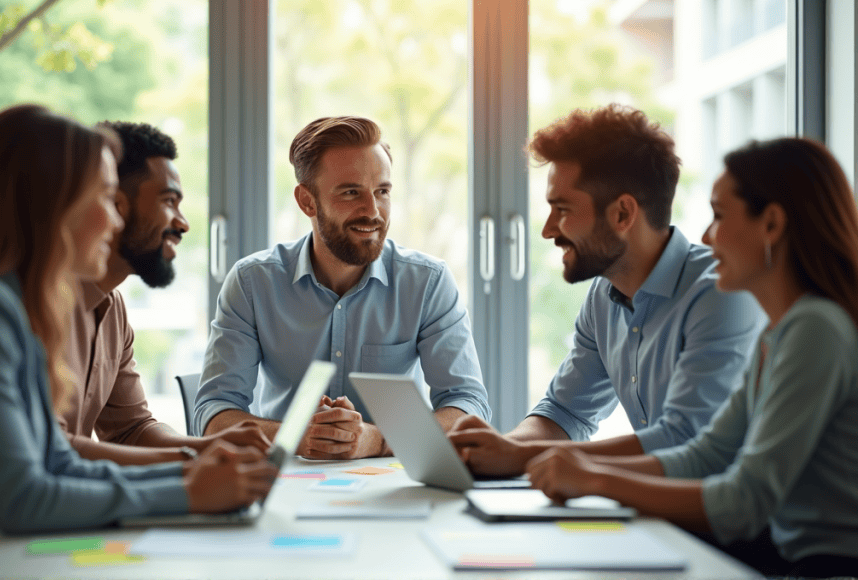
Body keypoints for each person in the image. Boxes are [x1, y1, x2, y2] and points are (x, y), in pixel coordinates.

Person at [0, 105, 276, 579]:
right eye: (106, 198)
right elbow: (26, 498)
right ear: (52, 204)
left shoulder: (5, 300)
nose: (114, 219)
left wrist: (196, 475)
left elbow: (58, 461)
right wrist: (189, 491)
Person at [523, 137, 858, 578]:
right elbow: (707, 455)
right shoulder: (778, 333)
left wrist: (597, 479)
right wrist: (584, 468)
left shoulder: (816, 329)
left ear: (771, 224)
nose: (705, 236)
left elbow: (744, 502)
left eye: (719, 216)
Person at [449, 104, 764, 474]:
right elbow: (564, 413)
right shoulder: (604, 296)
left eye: (562, 209)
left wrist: (521, 457)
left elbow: (686, 438)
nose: (548, 230)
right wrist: (495, 450)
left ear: (622, 214)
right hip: (659, 512)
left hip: (726, 524)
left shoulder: (721, 294)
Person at [195, 116, 490, 459]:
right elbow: (214, 411)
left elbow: (468, 404)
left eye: (382, 191)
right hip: (286, 480)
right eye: (351, 192)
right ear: (307, 201)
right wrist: (294, 436)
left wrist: (378, 440)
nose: (372, 211)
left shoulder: (428, 282)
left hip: (393, 482)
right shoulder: (251, 284)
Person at [58, 120, 269, 466]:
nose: (183, 223)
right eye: (169, 201)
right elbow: (50, 451)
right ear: (116, 204)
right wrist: (192, 468)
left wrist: (208, 449)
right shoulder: (35, 304)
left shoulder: (113, 307)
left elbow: (131, 429)